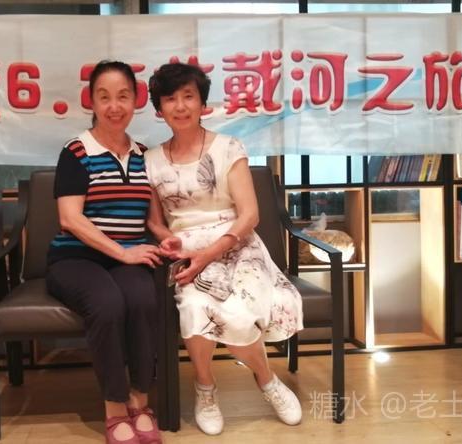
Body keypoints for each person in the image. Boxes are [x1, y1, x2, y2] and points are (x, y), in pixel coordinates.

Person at [145, 62, 304, 436]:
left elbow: (250, 215)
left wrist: (212, 252)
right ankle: (205, 389)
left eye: (189, 96)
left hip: (238, 246)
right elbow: (154, 221)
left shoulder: (228, 148)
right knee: (194, 307)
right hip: (187, 252)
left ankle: (266, 380)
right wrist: (167, 238)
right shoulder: (149, 160)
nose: (180, 106)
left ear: (203, 103)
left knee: (238, 311)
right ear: (159, 108)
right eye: (170, 98)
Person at [45, 60, 163, 444]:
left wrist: (175, 240)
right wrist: (123, 253)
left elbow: (154, 221)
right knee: (107, 303)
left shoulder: (144, 154)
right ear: (91, 102)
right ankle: (114, 408)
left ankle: (140, 401)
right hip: (74, 259)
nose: (115, 106)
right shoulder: (76, 151)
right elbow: (70, 219)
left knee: (143, 299)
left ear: (136, 100)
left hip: (125, 258)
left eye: (123, 96)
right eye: (105, 97)